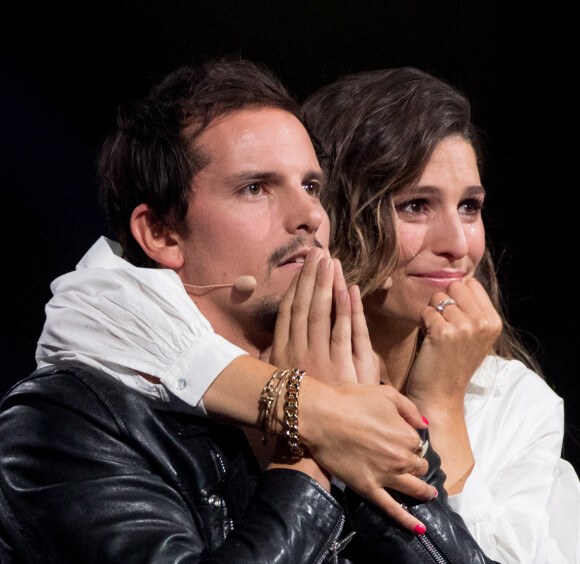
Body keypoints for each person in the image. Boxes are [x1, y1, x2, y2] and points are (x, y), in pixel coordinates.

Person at [0, 58, 497, 562]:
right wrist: (308, 461)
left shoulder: (355, 395)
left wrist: (349, 417)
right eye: (255, 188)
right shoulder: (69, 422)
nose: (309, 216)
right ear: (162, 233)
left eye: (310, 186)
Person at [302, 66, 580, 563]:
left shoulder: (513, 402)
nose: (458, 245)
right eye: (414, 205)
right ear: (334, 214)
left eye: (469, 207)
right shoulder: (266, 378)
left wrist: (441, 409)